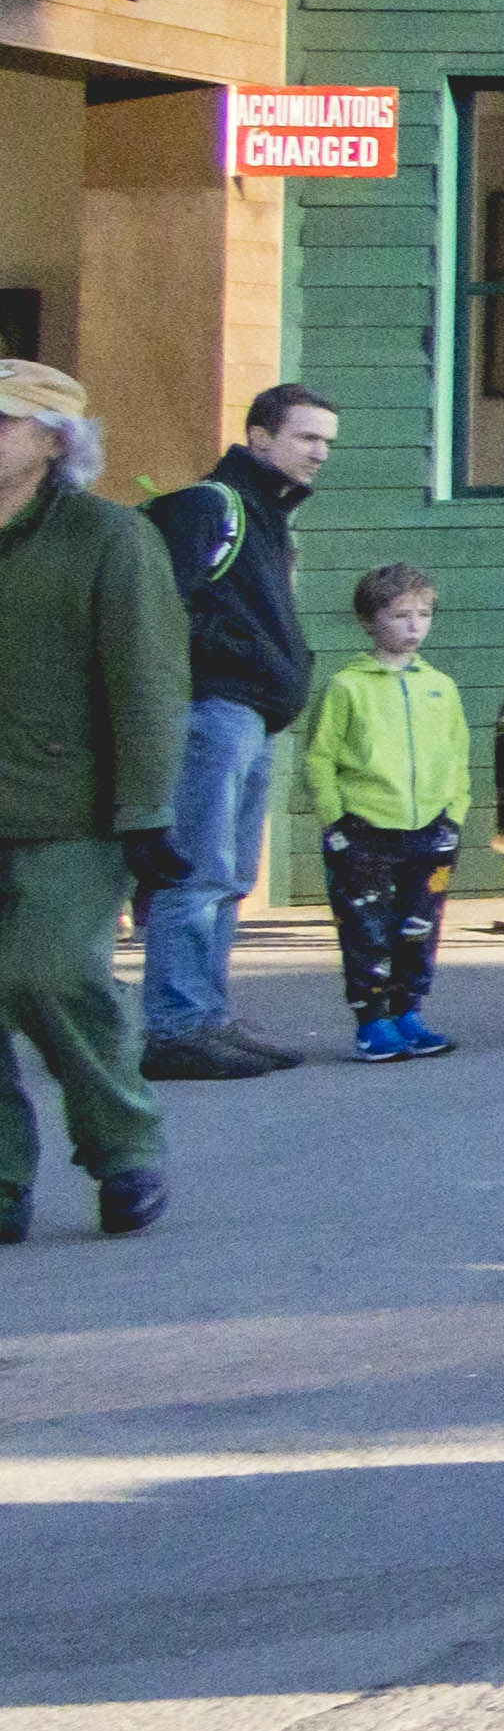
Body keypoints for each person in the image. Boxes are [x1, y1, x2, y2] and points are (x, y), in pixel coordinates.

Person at [0, 357, 186, 1234]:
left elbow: (147, 683)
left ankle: (125, 1145)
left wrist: (147, 814)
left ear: (54, 441)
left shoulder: (110, 539)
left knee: (52, 974)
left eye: (3, 422)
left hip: (70, 810)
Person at [133, 379, 336, 1081]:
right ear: (259, 436)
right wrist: (226, 660)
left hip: (248, 716)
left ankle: (208, 1017)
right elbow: (157, 608)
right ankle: (177, 1027)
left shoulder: (266, 515)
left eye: (327, 441)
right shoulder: (210, 506)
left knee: (230, 875)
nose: (321, 452)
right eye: (307, 436)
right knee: (197, 871)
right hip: (212, 711)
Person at [301, 560, 473, 1061]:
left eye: (423, 614)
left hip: (431, 828)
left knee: (419, 926)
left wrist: (454, 813)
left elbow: (458, 754)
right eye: (400, 615)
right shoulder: (346, 686)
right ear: (368, 621)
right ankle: (372, 1020)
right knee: (366, 928)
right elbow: (320, 756)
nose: (414, 626)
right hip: (365, 829)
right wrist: (335, 819)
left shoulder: (440, 685)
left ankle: (408, 1012)